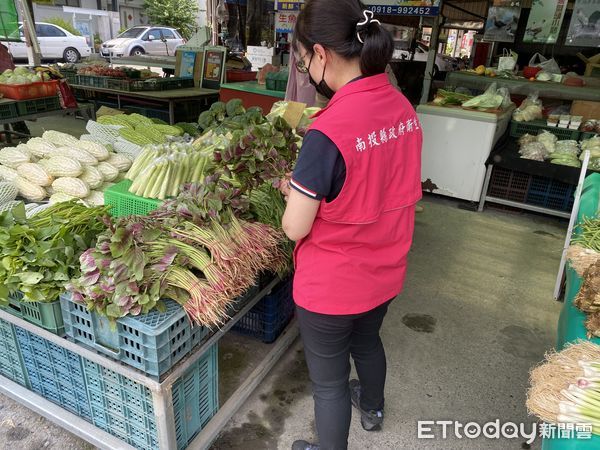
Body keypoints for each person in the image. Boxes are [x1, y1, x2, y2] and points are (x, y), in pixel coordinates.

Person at [279, 1, 422, 449]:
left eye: (302, 62)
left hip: (333, 286)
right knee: (368, 342)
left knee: (329, 384)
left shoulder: (328, 130)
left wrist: (293, 193)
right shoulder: (401, 107)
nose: (305, 71)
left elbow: (294, 229)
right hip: (385, 271)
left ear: (321, 54)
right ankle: (374, 408)